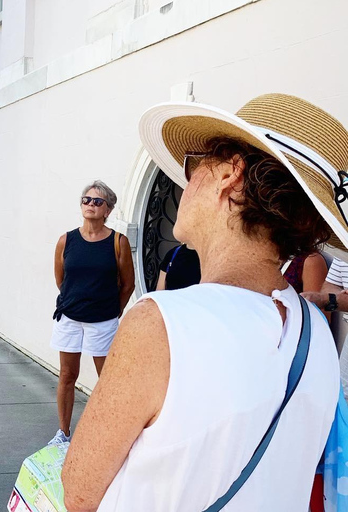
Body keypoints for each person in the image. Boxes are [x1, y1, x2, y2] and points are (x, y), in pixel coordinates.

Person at [62, 94, 344, 511]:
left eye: (194, 166)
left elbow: (79, 494)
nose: (184, 180)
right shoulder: (316, 331)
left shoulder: (162, 325)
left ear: (230, 174)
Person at [48, 181, 135, 446]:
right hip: (69, 318)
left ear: (108, 209)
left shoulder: (118, 242)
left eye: (98, 202)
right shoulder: (66, 240)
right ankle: (63, 433)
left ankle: (110, 432)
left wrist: (112, 310)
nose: (90, 205)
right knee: (66, 376)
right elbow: (61, 279)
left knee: (106, 380)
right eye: (87, 200)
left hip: (103, 321)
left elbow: (128, 284)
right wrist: (77, 300)